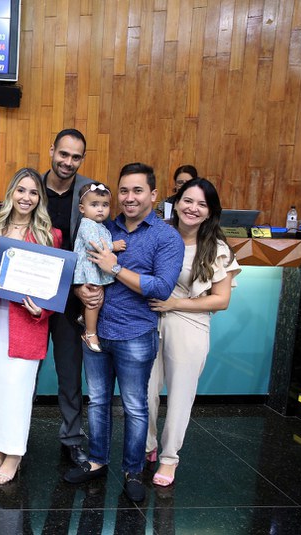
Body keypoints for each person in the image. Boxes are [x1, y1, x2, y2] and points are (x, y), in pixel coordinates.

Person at [65, 162, 184, 504]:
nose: (129, 198)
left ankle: (133, 471)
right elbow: (80, 265)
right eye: (124, 191)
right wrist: (79, 290)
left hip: (135, 334)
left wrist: (114, 268)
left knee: (134, 406)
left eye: (138, 191)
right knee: (98, 401)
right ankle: (97, 460)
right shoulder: (103, 225)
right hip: (97, 331)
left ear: (153, 194)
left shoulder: (166, 237)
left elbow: (161, 288)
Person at [146, 177, 241, 487]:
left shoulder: (216, 247)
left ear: (210, 211)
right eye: (188, 200)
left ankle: (169, 458)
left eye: (202, 204)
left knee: (180, 395)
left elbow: (221, 300)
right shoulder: (158, 233)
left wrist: (176, 303)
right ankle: (147, 444)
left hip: (189, 324)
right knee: (143, 392)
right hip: (148, 322)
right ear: (176, 203)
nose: (193, 208)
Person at [0, 168, 62, 485]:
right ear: (11, 193)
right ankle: (0, 446)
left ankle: (14, 454)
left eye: (33, 192)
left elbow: (55, 286)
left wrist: (43, 309)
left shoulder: (50, 235)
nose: (26, 197)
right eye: (21, 190)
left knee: (17, 391)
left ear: (40, 199)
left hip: (26, 322)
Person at [39, 129, 96, 467]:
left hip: (71, 299)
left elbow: (97, 240)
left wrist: (82, 285)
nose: (68, 162)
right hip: (30, 298)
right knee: (23, 373)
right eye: (63, 154)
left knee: (70, 374)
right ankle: (11, 439)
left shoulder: (90, 191)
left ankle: (72, 438)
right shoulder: (31, 186)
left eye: (76, 157)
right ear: (52, 150)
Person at [72, 182, 126, 352]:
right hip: (89, 268)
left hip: (94, 266)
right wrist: (113, 246)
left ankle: (84, 318)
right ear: (82, 208)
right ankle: (90, 334)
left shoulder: (98, 225)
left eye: (105, 205)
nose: (100, 209)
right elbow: (92, 244)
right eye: (94, 205)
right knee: (95, 300)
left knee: (95, 299)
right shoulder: (87, 224)